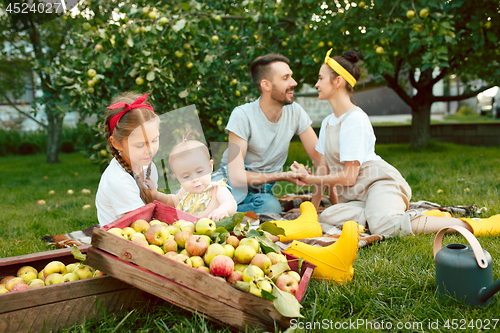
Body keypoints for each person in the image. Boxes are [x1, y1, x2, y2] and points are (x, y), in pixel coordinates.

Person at [290, 48, 500, 238]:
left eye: (320, 78)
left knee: (384, 226)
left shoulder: (355, 120)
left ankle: (471, 224)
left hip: (379, 183)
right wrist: (311, 213)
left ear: (337, 82)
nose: (316, 84)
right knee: (327, 217)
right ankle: (407, 215)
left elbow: (348, 176)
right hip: (356, 196)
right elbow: (323, 170)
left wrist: (308, 180)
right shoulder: (327, 122)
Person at [213, 53, 321, 214]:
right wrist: (284, 175)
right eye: (286, 78)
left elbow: (319, 158)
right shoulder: (242, 115)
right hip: (229, 185)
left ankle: (226, 213)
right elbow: (236, 177)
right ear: (266, 85)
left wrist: (315, 205)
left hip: (261, 192)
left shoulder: (295, 112)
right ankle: (218, 208)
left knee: (270, 207)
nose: (294, 83)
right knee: (191, 204)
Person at [96, 92, 160, 226]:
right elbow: (141, 226)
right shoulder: (119, 181)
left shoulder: (148, 166)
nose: (150, 150)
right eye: (140, 145)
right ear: (116, 143)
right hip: (123, 238)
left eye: (154, 140)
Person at [146, 131, 238, 222]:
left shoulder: (216, 189)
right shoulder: (185, 192)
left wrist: (222, 209)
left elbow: (231, 204)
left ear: (210, 167)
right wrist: (156, 194)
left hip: (213, 232)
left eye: (199, 171)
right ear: (178, 178)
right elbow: (172, 201)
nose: (194, 179)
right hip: (188, 233)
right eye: (186, 177)